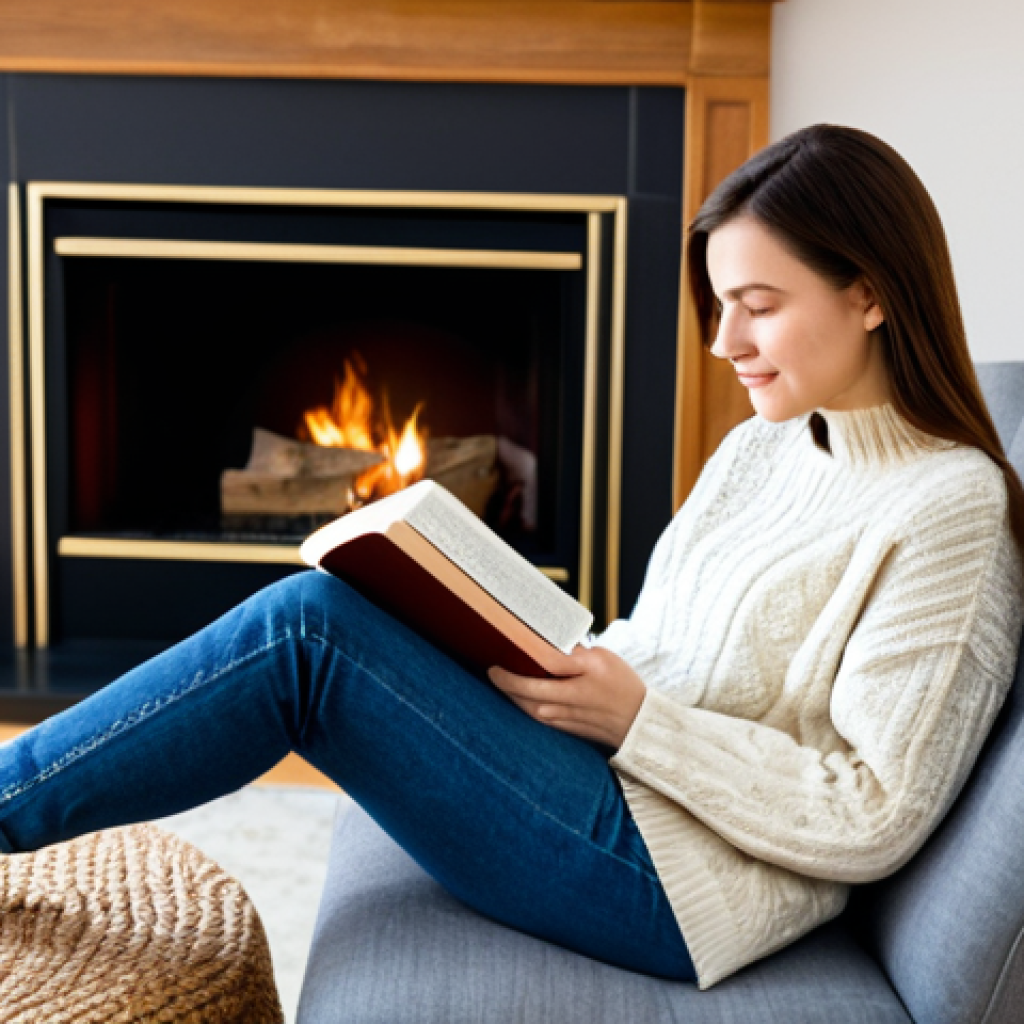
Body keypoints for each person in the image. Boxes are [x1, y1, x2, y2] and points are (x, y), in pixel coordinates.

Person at [1, 124, 1022, 992]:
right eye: (717, 305)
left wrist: (637, 721)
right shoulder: (765, 443)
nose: (722, 342)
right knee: (346, 601)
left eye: (758, 304)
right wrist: (533, 657)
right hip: (609, 777)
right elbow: (661, 646)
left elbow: (873, 810)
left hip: (677, 881)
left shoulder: (947, 506)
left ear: (871, 296)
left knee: (305, 634)